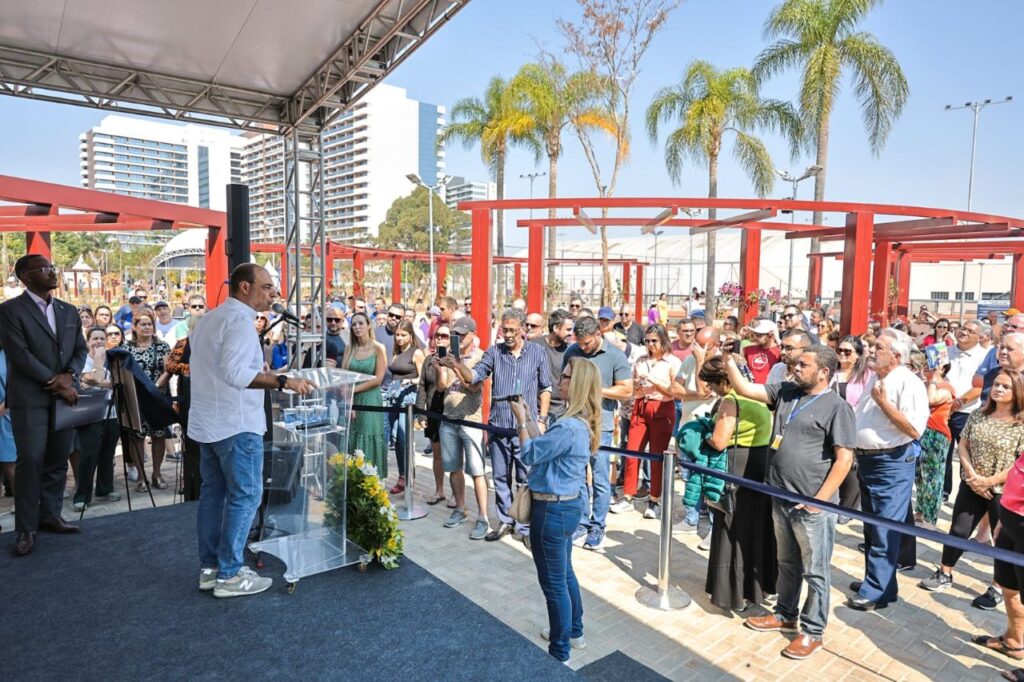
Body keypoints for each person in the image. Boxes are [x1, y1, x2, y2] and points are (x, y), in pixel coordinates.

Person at [191, 264, 315, 598]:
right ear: (244, 287)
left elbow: (221, 367)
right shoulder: (239, 322)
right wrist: (283, 381)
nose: (272, 294)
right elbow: (235, 373)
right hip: (235, 423)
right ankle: (230, 573)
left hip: (208, 422)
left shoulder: (209, 319)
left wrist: (268, 372)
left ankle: (211, 568)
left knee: (214, 495)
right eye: (266, 287)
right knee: (246, 495)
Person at [726, 346, 855, 660]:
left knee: (815, 571)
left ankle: (813, 632)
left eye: (803, 365)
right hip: (780, 496)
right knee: (788, 562)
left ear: (823, 371)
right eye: (795, 363)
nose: (794, 368)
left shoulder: (837, 407)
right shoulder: (786, 391)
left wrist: (819, 501)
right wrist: (727, 358)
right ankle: (785, 613)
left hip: (811, 504)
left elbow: (844, 459)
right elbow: (744, 388)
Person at [510, 357, 602, 663]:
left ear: (576, 384)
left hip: (552, 510)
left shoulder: (569, 426)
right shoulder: (578, 422)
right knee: (564, 575)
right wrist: (529, 415)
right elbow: (545, 446)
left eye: (564, 377)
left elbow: (529, 453)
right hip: (566, 506)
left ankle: (559, 651)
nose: (559, 381)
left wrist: (521, 421)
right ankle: (573, 632)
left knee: (554, 584)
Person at [0, 254, 88, 556]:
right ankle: (25, 528)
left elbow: (80, 347)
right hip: (30, 398)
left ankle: (50, 514)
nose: (52, 272)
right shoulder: (10, 311)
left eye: (53, 267)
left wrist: (70, 376)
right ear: (26, 277)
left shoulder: (68, 310)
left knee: (57, 459)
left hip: (65, 396)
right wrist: (56, 381)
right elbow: (19, 354)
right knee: (31, 461)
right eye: (45, 269)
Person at [447, 308, 551, 544]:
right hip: (498, 426)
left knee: (526, 478)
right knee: (501, 477)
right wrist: (457, 364)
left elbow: (546, 388)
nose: (509, 334)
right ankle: (505, 520)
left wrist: (542, 420)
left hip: (527, 427)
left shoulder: (537, 352)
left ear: (523, 329)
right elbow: (475, 376)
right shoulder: (495, 352)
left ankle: (525, 526)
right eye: (505, 330)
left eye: (513, 330)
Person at [919, 369, 1024, 595]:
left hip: (1002, 491)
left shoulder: (1021, 423)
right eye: (996, 384)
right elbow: (963, 445)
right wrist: (972, 476)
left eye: (1006, 386)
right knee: (958, 530)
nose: (998, 389)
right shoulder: (979, 414)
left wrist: (989, 481)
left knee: (1000, 540)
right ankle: (945, 572)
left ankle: (998, 587)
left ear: (1017, 392)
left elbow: (1019, 463)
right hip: (971, 483)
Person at [849, 330, 929, 611]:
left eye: (878, 347)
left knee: (884, 529)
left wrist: (883, 403)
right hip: (868, 461)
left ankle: (877, 592)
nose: (871, 350)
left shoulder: (910, 383)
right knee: (872, 527)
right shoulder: (876, 376)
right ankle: (880, 582)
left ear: (896, 355)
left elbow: (913, 429)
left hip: (891, 463)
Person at [699, 355, 776, 612]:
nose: (710, 390)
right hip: (760, 466)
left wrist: (703, 434)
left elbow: (720, 441)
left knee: (732, 528)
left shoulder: (730, 401)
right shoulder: (757, 396)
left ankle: (734, 593)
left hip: (738, 466)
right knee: (757, 528)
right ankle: (759, 587)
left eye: (711, 384)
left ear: (722, 380)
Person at [562, 315, 631, 550]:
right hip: (576, 423)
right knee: (578, 475)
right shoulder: (572, 352)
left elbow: (626, 391)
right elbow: (564, 382)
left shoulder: (615, 355)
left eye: (587, 343)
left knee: (600, 478)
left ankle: (598, 525)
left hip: (601, 425)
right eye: (580, 343)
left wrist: (596, 390)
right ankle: (581, 522)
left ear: (598, 335)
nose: (583, 347)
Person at [614, 324, 680, 519]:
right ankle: (627, 496)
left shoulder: (672, 362)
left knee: (657, 456)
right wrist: (636, 386)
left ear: (663, 341)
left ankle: (655, 499)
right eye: (647, 341)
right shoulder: (641, 360)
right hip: (641, 406)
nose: (650, 345)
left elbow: (674, 391)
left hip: (662, 407)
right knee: (632, 452)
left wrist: (651, 380)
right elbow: (635, 387)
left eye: (654, 341)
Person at [437, 317, 489, 539]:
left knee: (477, 470)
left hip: (471, 420)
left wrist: (457, 367)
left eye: (462, 334)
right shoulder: (451, 355)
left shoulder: (481, 357)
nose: (458, 338)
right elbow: (442, 387)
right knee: (453, 467)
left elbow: (473, 387)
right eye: (455, 334)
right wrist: (442, 367)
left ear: (473, 334)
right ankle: (460, 508)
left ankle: (483, 517)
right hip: (448, 418)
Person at [72, 326, 122, 512]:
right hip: (90, 414)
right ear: (88, 341)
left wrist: (96, 381)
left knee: (108, 453)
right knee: (89, 454)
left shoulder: (113, 358)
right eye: (95, 338)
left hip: (112, 413)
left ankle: (104, 489)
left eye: (102, 338)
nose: (99, 342)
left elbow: (112, 381)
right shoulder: (83, 360)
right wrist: (99, 370)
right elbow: (92, 378)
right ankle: (82, 496)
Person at [944, 320, 992, 501]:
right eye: (962, 328)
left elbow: (981, 385)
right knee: (941, 456)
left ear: (980, 337)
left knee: (968, 457)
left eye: (970, 331)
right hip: (940, 412)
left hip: (968, 413)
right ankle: (942, 492)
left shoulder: (986, 355)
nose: (963, 332)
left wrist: (956, 404)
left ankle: (971, 494)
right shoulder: (944, 351)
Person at [126, 309, 172, 492]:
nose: (147, 327)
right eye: (143, 324)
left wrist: (155, 387)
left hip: (157, 396)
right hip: (135, 398)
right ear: (134, 327)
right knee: (137, 436)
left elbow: (169, 370)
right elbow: (124, 373)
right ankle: (141, 476)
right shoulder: (126, 348)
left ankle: (157, 473)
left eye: (150, 323)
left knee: (158, 435)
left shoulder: (162, 347)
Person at [342, 312, 387, 478]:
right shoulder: (349, 348)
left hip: (370, 398)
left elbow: (378, 379)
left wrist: (353, 391)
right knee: (351, 438)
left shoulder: (378, 348)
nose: (357, 327)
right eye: (354, 324)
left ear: (369, 325)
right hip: (351, 399)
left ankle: (371, 481)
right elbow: (344, 376)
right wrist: (349, 400)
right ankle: (352, 481)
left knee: (368, 435)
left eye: (361, 323)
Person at [387, 320, 425, 494]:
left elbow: (424, 377)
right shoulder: (396, 351)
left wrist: (409, 380)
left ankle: (409, 478)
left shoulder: (416, 353)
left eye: (403, 335)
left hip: (407, 398)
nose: (400, 338)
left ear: (411, 335)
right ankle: (402, 476)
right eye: (397, 335)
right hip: (393, 397)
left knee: (404, 438)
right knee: (396, 440)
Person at [915, 362, 955, 526]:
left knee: (933, 476)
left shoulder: (945, 388)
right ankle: (920, 510)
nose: (926, 368)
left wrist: (933, 379)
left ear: (942, 369)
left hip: (936, 434)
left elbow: (931, 400)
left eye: (931, 366)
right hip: (921, 432)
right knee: (920, 475)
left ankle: (930, 517)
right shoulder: (924, 384)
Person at [415, 324, 450, 500]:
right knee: (437, 454)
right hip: (432, 411)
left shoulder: (455, 360)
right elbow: (422, 387)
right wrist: (421, 414)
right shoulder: (429, 360)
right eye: (438, 336)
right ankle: (439, 490)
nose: (440, 339)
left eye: (445, 336)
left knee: (452, 455)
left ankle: (455, 495)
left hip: (451, 413)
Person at [533, 309, 573, 423]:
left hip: (559, 413)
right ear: (556, 328)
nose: (571, 333)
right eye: (568, 329)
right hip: (534, 411)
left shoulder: (570, 351)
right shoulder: (534, 346)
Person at [0, 337, 16, 532]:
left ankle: (24, 510)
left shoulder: (10, 355)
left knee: (12, 465)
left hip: (7, 416)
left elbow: (17, 389)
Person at [742, 319, 781, 384]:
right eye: (755, 334)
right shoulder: (749, 349)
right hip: (750, 390)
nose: (756, 337)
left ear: (770, 335)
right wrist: (740, 336)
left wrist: (777, 339)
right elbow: (735, 357)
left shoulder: (779, 351)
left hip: (769, 391)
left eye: (759, 335)